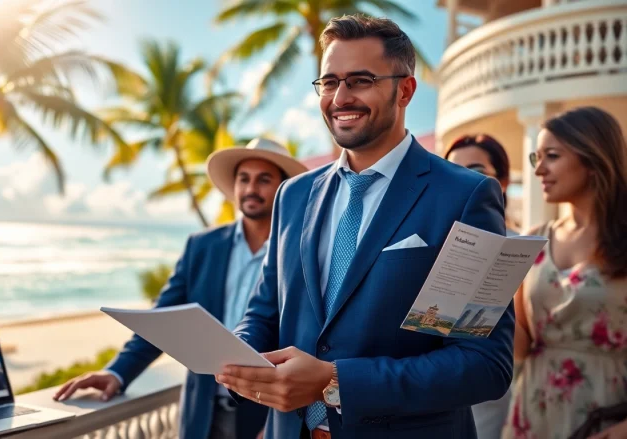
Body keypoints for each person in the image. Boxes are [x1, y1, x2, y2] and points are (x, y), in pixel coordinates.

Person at [215, 15, 514, 439]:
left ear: (405, 89)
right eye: (329, 82)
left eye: (360, 80)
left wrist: (334, 381)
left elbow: (483, 364)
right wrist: (236, 355)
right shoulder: (292, 196)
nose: (340, 97)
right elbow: (265, 311)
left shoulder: (465, 196)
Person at [53, 138, 308, 439]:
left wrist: (283, 423)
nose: (251, 188)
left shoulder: (301, 252)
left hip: (268, 414)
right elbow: (164, 318)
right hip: (202, 411)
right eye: (244, 179)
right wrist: (116, 373)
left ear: (284, 188)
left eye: (264, 180)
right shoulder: (202, 246)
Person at [502, 106, 627, 438]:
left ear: (592, 157)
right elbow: (523, 347)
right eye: (535, 158)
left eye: (552, 156)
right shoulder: (534, 240)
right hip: (533, 410)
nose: (539, 169)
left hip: (607, 414)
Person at [445, 134, 516, 439]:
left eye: (477, 170)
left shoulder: (520, 247)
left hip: (499, 399)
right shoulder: (430, 244)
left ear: (503, 180)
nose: (464, 181)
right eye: (453, 172)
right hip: (432, 395)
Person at [446, 134, 519, 235]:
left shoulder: (526, 248)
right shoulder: (425, 240)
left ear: (503, 182)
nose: (462, 183)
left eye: (476, 172)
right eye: (452, 175)